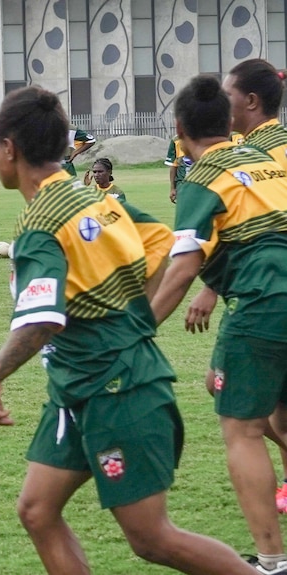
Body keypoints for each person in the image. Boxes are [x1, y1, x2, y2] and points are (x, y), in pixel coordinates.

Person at [0, 85, 258, 575]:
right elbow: (161, 243)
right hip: (77, 388)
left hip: (119, 390)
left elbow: (42, 318)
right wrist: (124, 309)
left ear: (9, 149)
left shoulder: (41, 224)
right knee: (37, 511)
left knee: (152, 538)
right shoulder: (94, 199)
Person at [149, 73, 287, 575]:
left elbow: (182, 268)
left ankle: (272, 562)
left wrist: (137, 331)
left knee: (243, 429)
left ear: (179, 128)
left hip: (265, 302)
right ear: (229, 121)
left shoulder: (202, 176)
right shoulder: (266, 162)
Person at [183, 59, 287, 519]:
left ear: (250, 101)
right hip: (259, 285)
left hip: (268, 292)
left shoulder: (272, 153)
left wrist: (205, 284)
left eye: (227, 95)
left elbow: (264, 223)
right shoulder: (250, 147)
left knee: (249, 409)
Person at [165, 135, 193, 203]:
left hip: (201, 185)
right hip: (182, 185)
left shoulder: (207, 138)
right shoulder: (176, 140)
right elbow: (173, 165)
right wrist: (172, 188)